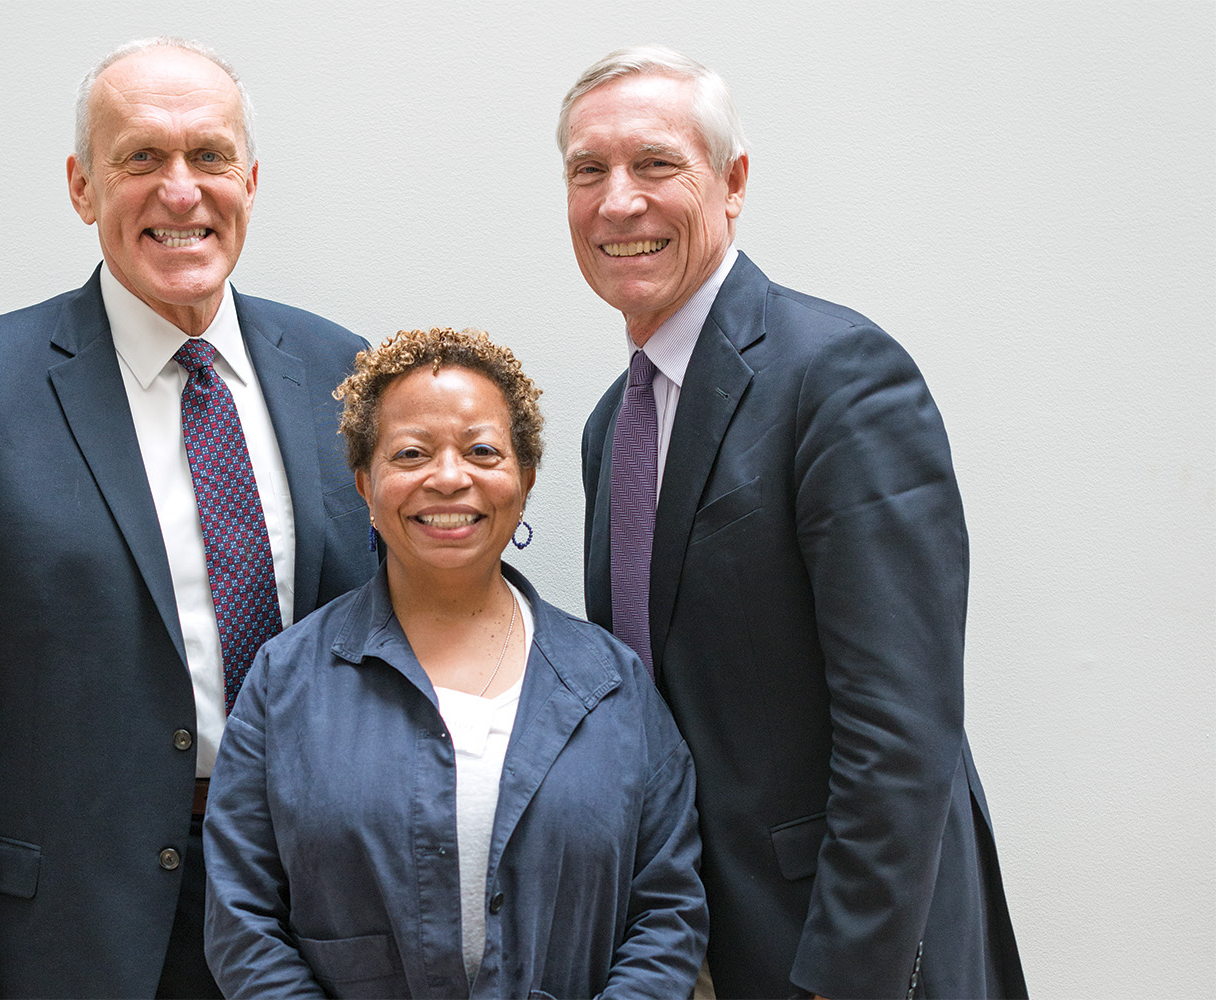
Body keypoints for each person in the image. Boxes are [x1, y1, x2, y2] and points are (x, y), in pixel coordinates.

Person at [0, 37, 375, 998]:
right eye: (141, 157)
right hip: (75, 934)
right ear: (82, 186)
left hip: (314, 918)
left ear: (251, 180)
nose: (180, 191)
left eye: (209, 157)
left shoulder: (341, 370)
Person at [562, 46, 1028, 999]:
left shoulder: (840, 376)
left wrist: (843, 977)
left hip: (847, 952)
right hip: (697, 948)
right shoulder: (614, 424)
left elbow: (902, 729)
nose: (618, 202)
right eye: (587, 171)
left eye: (655, 164)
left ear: (731, 184)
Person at [202, 328, 707, 998]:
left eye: (481, 451)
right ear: (365, 485)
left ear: (523, 480)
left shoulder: (613, 685)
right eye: (410, 453)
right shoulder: (285, 681)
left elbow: (667, 910)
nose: (447, 477)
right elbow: (242, 918)